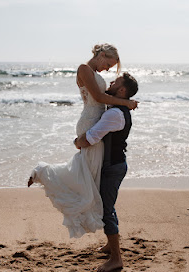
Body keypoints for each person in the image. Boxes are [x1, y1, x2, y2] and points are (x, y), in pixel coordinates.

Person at [28, 43, 137, 238]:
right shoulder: (84, 69)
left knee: (89, 173)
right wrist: (126, 102)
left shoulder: (94, 73)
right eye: (109, 64)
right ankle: (43, 172)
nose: (108, 69)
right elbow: (98, 96)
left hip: (97, 123)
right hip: (89, 123)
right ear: (101, 55)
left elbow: (103, 96)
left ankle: (101, 218)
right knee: (85, 172)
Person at [74, 72, 138, 272]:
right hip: (114, 165)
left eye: (115, 81)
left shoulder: (114, 114)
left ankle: (116, 259)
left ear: (121, 90)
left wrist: (77, 142)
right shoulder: (117, 109)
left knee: (105, 210)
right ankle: (111, 245)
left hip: (113, 167)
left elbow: (91, 138)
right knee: (108, 205)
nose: (111, 81)